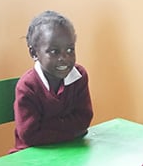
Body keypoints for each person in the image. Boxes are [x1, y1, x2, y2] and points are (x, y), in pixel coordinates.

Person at [11, 10, 93, 152]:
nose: (64, 57)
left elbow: (84, 119)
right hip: (32, 154)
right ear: (34, 53)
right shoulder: (27, 87)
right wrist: (71, 130)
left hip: (71, 149)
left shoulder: (79, 76)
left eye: (70, 49)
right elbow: (30, 135)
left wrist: (47, 126)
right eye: (54, 51)